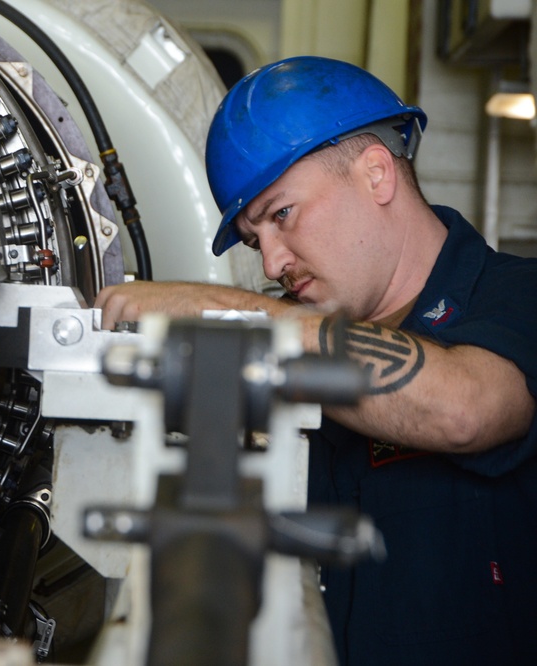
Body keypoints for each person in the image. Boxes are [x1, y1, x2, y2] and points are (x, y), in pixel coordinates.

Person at [95, 56, 537, 665]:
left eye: (282, 214)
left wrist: (222, 311)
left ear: (376, 174)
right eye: (255, 240)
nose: (273, 263)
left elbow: (464, 409)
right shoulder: (281, 337)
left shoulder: (518, 294)